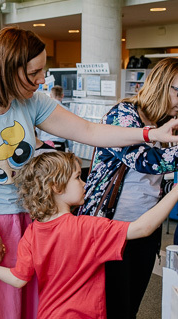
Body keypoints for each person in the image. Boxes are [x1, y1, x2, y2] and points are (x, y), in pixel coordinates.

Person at [0, 26, 178, 319]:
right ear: (9, 68)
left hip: (29, 221)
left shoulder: (31, 101)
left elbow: (89, 131)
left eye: (42, 71)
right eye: (33, 73)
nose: (40, 80)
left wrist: (148, 134)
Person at [0, 151, 178, 319]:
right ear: (57, 187)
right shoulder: (88, 228)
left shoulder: (32, 233)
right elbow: (143, 228)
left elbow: (18, 279)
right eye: (77, 177)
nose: (84, 183)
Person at [77, 57, 178, 319]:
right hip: (108, 227)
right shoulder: (122, 114)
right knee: (109, 306)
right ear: (161, 85)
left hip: (145, 227)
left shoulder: (168, 120)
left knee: (130, 304)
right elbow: (147, 161)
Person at [37, 85, 67, 151]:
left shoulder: (43, 110)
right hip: (60, 144)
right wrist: (70, 147)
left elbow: (38, 128)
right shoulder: (67, 111)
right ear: (62, 95)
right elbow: (70, 131)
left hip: (45, 143)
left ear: (50, 96)